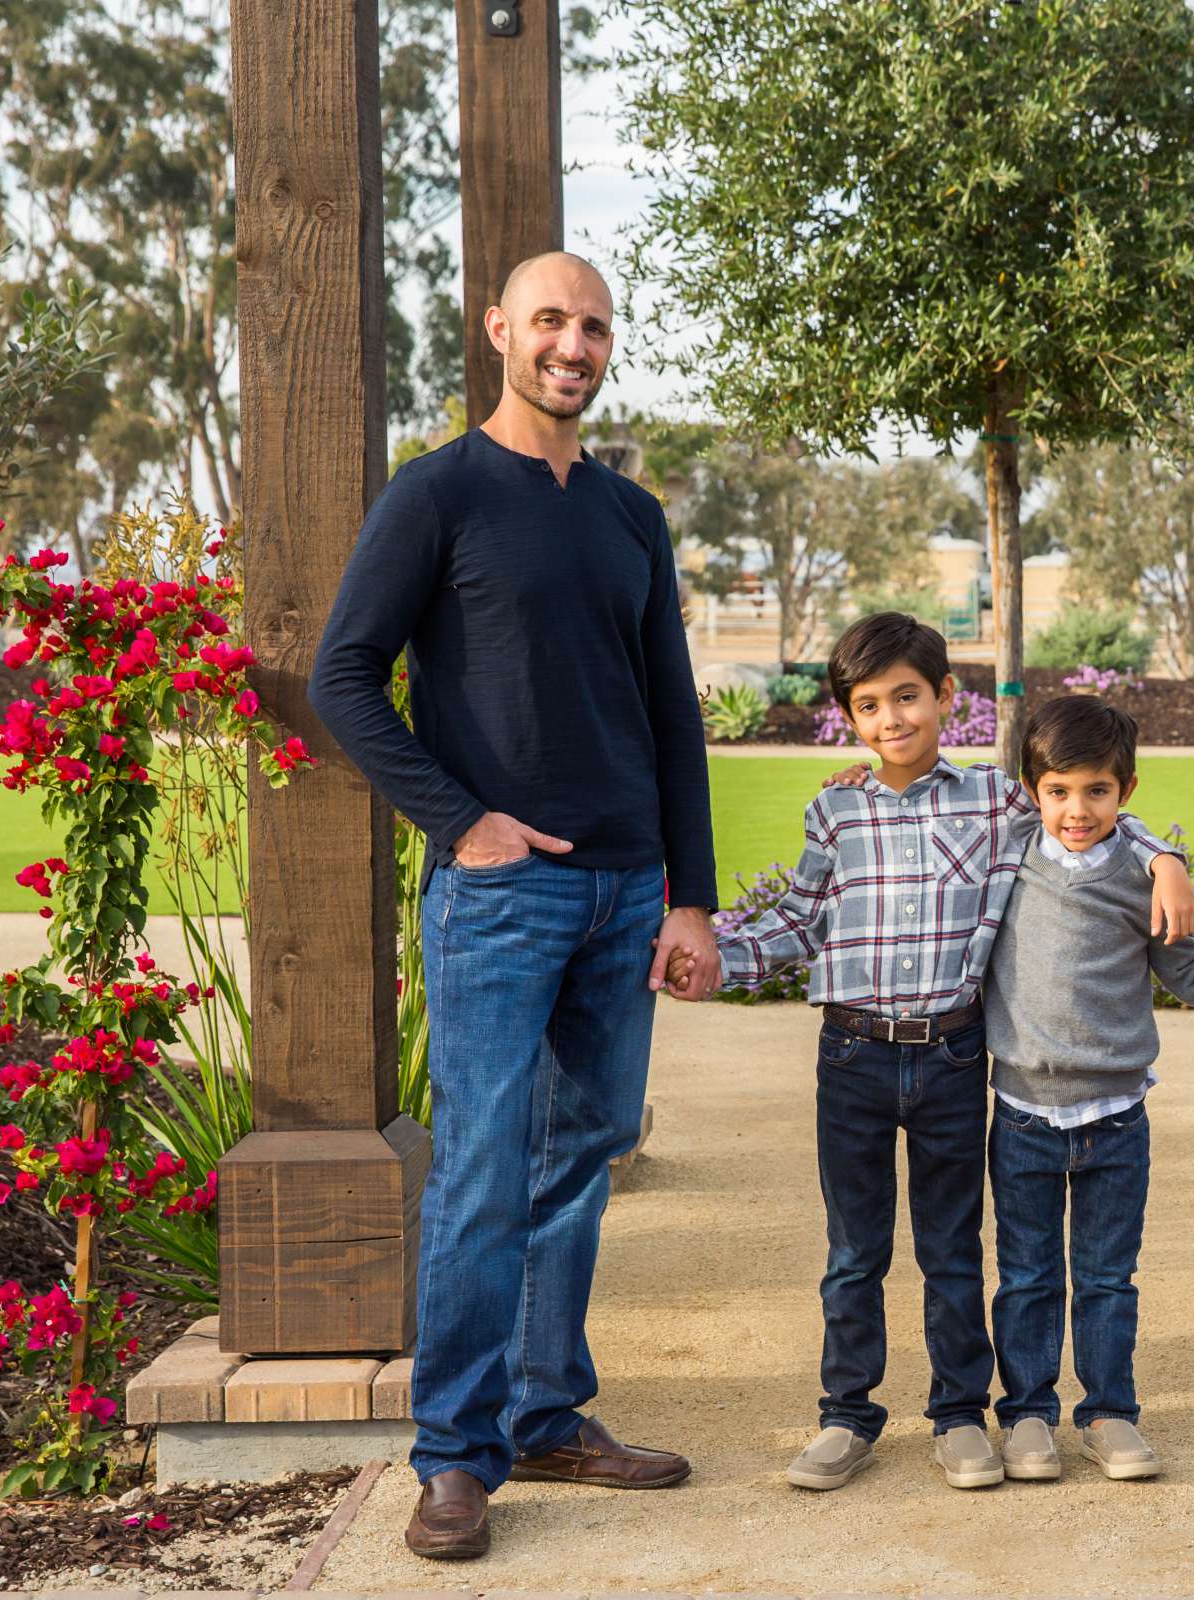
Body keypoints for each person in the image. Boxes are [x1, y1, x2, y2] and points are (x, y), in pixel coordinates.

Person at [309, 252, 721, 1562]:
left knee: (578, 1157)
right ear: (499, 331)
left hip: (620, 899)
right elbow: (343, 677)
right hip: (500, 901)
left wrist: (689, 901)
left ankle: (547, 1413)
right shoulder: (437, 495)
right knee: (484, 1172)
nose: (574, 343)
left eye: (594, 325)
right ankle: (454, 1457)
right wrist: (460, 821)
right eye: (551, 320)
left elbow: (671, 717)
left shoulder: (628, 515)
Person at [669, 612, 1194, 1493]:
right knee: (855, 1251)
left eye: (908, 697)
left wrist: (1166, 853)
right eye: (869, 705)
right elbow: (802, 920)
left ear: (947, 698)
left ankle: (959, 1414)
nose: (891, 720)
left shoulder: (995, 803)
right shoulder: (834, 809)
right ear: (848, 716)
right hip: (852, 1058)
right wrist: (721, 956)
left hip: (954, 1058)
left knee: (954, 1248)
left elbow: (1089, 810)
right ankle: (846, 1415)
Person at [982, 695, 1194, 1484]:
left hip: (1116, 1119)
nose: (1075, 809)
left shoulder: (1138, 875)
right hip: (1022, 1114)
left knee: (1105, 1278)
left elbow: (1189, 973)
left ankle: (1110, 1413)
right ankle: (1027, 1413)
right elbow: (936, 800)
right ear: (1032, 790)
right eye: (1057, 791)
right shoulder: (1006, 853)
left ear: (1126, 791)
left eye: (1096, 791)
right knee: (1025, 1276)